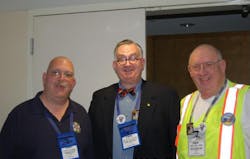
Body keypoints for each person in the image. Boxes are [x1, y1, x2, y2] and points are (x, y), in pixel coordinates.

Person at [88, 39, 180, 159]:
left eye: (133, 58)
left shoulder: (165, 96)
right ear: (115, 66)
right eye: (121, 59)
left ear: (142, 63)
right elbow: (92, 143)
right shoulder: (99, 98)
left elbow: (174, 143)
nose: (127, 64)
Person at [0, 56, 94, 159]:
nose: (61, 78)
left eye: (68, 75)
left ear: (73, 83)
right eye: (55, 73)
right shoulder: (20, 115)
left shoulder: (81, 114)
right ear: (45, 78)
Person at [175, 44, 250, 159]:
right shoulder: (185, 103)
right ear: (190, 71)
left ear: (222, 65)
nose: (202, 72)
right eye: (196, 67)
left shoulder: (244, 96)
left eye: (208, 65)